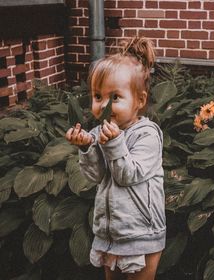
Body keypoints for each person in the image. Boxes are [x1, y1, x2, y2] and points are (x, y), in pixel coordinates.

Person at [65, 37, 166, 280]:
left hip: (142, 233)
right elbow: (95, 176)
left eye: (115, 97)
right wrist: (86, 146)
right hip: (110, 233)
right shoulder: (100, 133)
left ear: (139, 101)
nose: (103, 105)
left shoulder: (148, 135)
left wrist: (113, 143)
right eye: (97, 96)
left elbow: (127, 175)